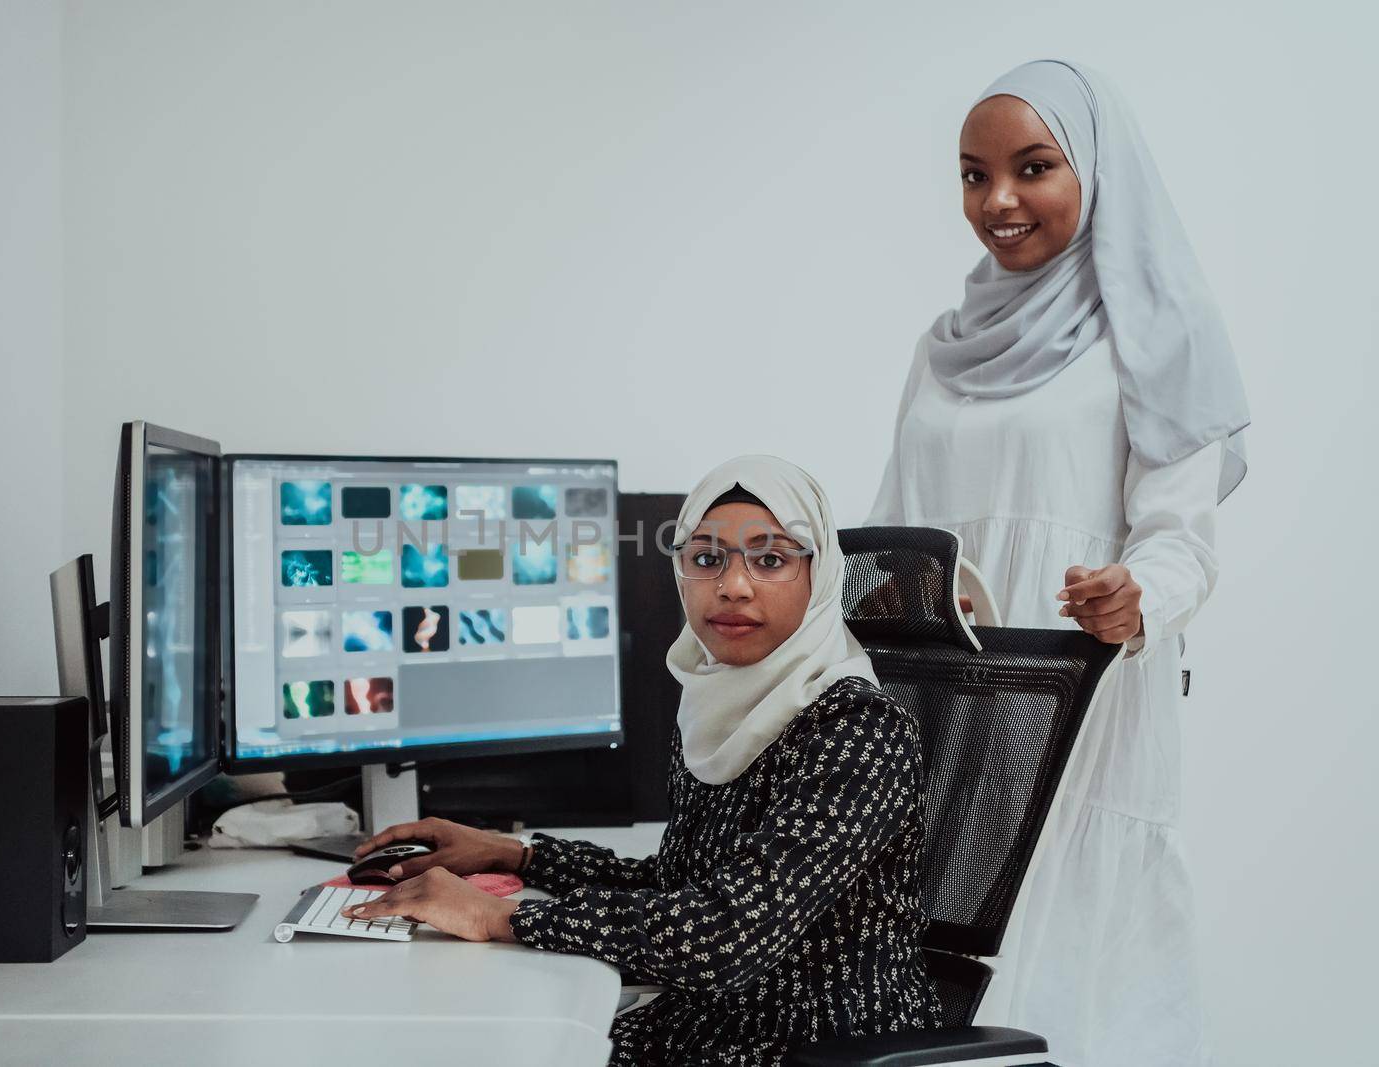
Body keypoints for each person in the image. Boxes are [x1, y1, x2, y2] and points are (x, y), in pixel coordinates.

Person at [867, 59, 1250, 1066]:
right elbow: (890, 529)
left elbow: (1181, 539)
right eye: (971, 174)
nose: (996, 200)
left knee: (1080, 992)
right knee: (947, 992)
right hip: (946, 717)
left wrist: (1138, 593)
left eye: (1032, 167)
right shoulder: (939, 348)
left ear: (1095, 168)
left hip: (1083, 702)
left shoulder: (1156, 334)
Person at [345, 455, 937, 1065]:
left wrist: (506, 919)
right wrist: (517, 854)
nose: (733, 585)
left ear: (820, 578)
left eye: (771, 559)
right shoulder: (718, 704)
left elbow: (724, 934)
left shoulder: (859, 731)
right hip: (711, 1017)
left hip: (813, 1041)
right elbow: (681, 887)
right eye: (706, 558)